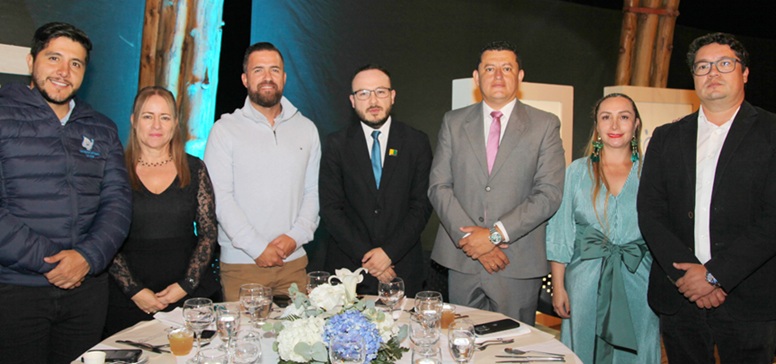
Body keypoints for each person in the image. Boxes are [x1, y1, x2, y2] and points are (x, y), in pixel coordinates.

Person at [638, 32, 776, 363]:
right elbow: (650, 212)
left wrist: (715, 275)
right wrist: (688, 276)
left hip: (749, 299)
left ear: (744, 73)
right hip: (678, 296)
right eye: (703, 66)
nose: (712, 72)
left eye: (724, 64)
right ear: (694, 79)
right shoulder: (666, 136)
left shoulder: (771, 132)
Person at [0, 22, 132, 363]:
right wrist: (55, 263)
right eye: (54, 58)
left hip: (87, 291)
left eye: (76, 63)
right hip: (17, 289)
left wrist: (86, 258)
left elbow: (117, 203)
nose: (64, 71)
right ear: (31, 61)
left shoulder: (102, 127)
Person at [429, 41, 565, 324]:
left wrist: (492, 236)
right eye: (490, 69)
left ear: (520, 76)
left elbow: (549, 194)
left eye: (507, 68)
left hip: (516, 262)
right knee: (461, 344)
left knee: (512, 348)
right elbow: (439, 186)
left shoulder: (545, 125)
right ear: (477, 78)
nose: (499, 76)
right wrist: (472, 241)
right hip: (462, 260)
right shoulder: (453, 123)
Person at [546, 94, 659, 363]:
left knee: (639, 348)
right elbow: (561, 232)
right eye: (606, 117)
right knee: (582, 347)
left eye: (624, 116)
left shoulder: (652, 173)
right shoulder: (576, 172)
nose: (615, 125)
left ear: (636, 124)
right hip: (584, 282)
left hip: (639, 281)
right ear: (597, 127)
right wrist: (559, 287)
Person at [204, 42, 320, 301]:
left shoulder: (307, 128)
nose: (268, 77)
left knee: (299, 340)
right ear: (245, 79)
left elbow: (313, 192)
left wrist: (295, 237)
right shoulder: (225, 130)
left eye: (274, 70)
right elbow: (220, 199)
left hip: (294, 262)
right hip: (243, 266)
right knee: (246, 340)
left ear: (284, 77)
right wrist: (258, 248)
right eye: (258, 70)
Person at [103, 86, 219, 336]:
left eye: (164, 117)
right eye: (148, 116)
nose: (156, 125)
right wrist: (134, 290)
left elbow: (209, 234)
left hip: (189, 296)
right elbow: (103, 237)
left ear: (175, 123)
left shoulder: (195, 168)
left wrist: (186, 285)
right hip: (129, 299)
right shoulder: (114, 171)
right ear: (134, 121)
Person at [319, 64, 433, 296]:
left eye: (380, 92)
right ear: (352, 101)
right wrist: (371, 258)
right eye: (363, 93)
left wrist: (388, 253)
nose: (373, 100)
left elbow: (421, 206)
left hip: (402, 269)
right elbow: (331, 209)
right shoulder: (336, 144)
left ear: (392, 96)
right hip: (348, 270)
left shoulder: (416, 142)